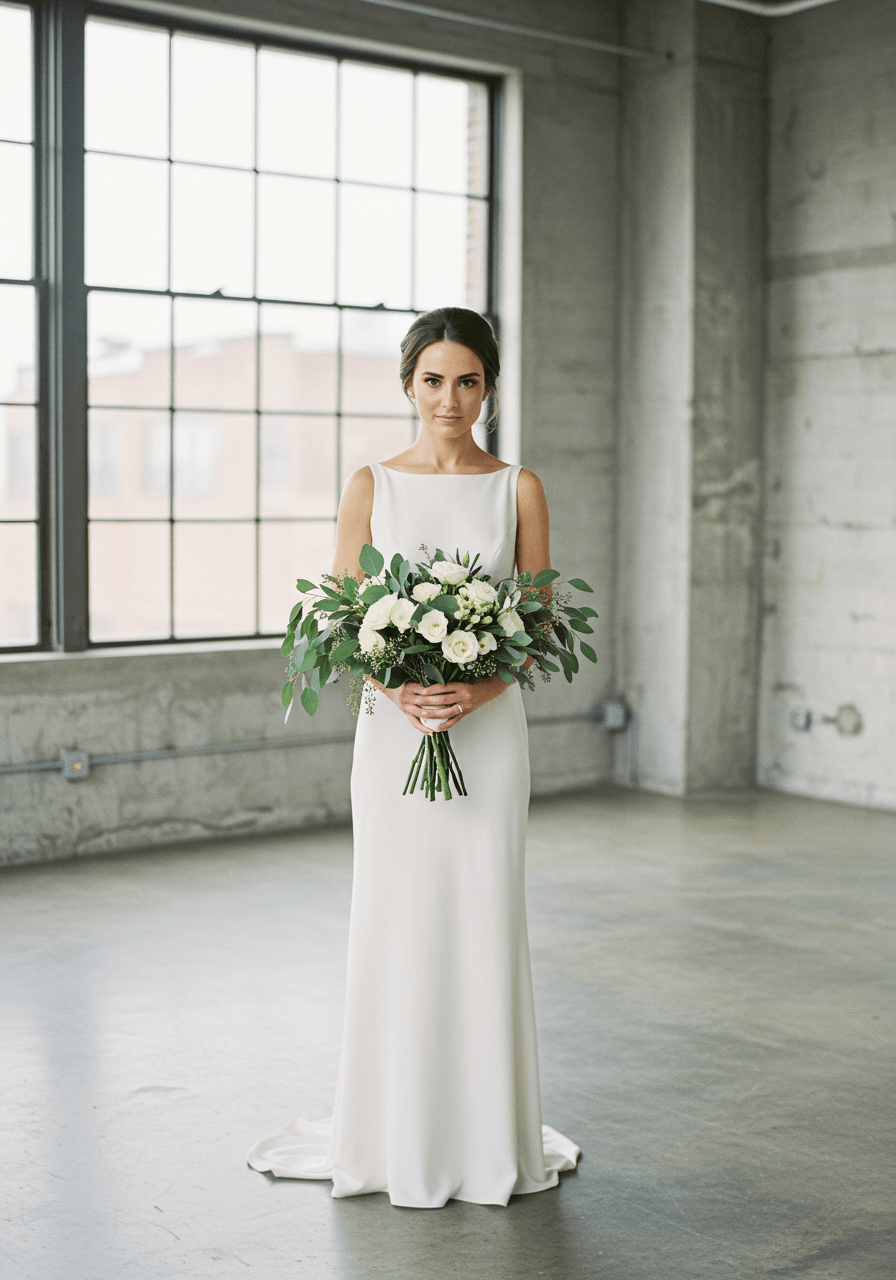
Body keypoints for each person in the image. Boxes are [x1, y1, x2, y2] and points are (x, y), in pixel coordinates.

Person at [247, 307, 579, 1208]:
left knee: (481, 911)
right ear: (407, 386)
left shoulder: (519, 489)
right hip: (391, 734)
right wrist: (400, 691)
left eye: (467, 381)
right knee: (397, 917)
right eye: (433, 380)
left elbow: (541, 625)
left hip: (489, 732)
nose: (450, 398)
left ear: (490, 389)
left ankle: (486, 1133)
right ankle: (394, 1130)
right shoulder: (370, 486)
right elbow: (347, 622)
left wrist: (474, 690)